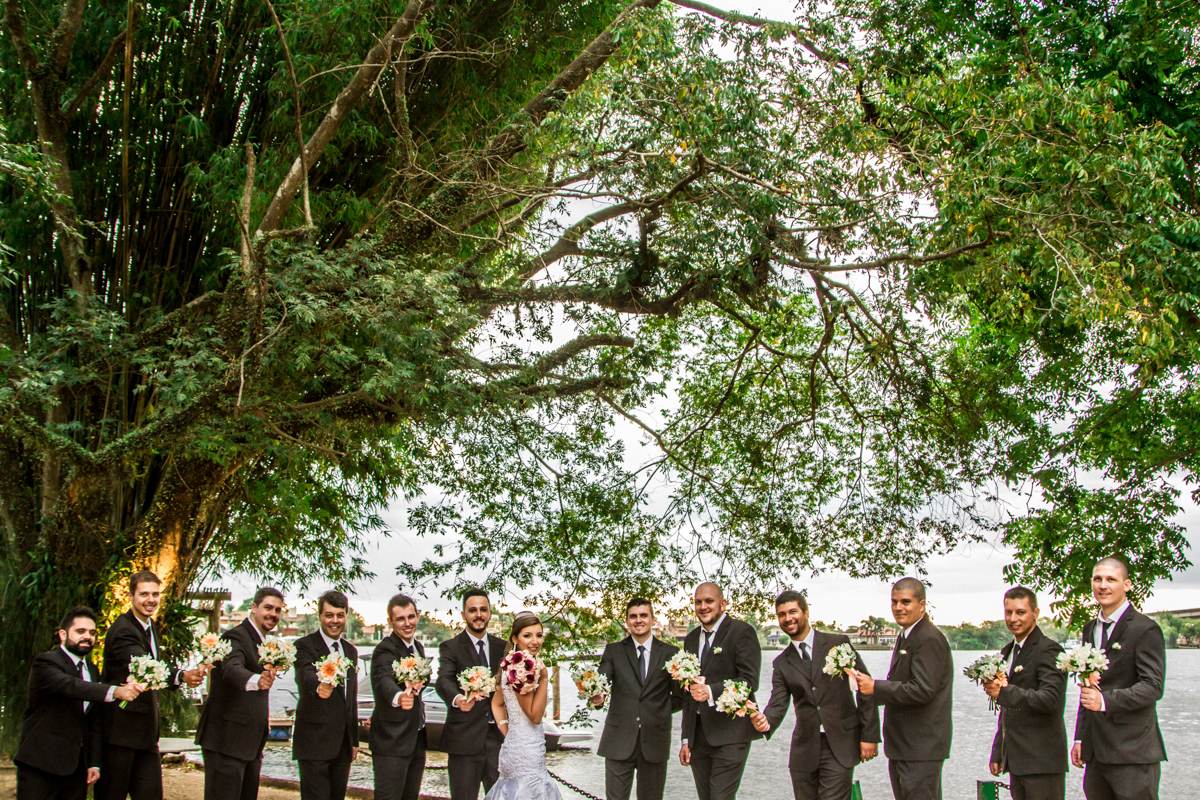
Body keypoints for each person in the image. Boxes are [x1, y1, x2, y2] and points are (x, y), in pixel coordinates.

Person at [751, 590, 880, 800]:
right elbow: (778, 703)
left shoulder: (838, 644)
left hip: (841, 744)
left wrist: (869, 736)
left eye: (792, 611)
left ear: (806, 612)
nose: (787, 618)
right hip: (804, 750)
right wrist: (765, 722)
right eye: (782, 614)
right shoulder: (781, 663)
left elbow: (866, 690)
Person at [97, 571, 207, 800]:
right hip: (120, 735)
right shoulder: (124, 630)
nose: (151, 600)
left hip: (146, 736)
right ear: (131, 596)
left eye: (155, 594)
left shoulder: (149, 625)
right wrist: (181, 676)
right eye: (144, 594)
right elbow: (145, 666)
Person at [15, 606, 142, 800]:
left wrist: (94, 763)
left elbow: (93, 721)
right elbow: (70, 686)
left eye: (92, 633)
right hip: (40, 765)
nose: (87, 637)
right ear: (63, 634)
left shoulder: (92, 670)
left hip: (76, 770)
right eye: (80, 631)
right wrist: (114, 691)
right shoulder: (46, 662)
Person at [1072, 557, 1167, 800]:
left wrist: (1105, 701)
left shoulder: (1145, 629)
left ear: (1127, 585)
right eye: (1098, 579)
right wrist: (1081, 737)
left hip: (1132, 752)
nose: (1103, 585)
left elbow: (1152, 687)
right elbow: (1088, 686)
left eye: (1111, 579)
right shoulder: (1089, 629)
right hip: (1096, 752)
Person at [851, 577, 952, 800]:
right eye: (894, 602)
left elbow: (923, 689)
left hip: (921, 748)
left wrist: (875, 687)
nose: (898, 607)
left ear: (922, 605)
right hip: (903, 747)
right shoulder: (906, 635)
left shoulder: (928, 638)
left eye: (906, 602)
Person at [195, 587, 286, 800]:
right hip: (226, 741)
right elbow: (231, 669)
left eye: (278, 610)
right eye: (268, 608)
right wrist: (256, 679)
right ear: (253, 607)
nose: (273, 614)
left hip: (250, 744)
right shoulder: (234, 637)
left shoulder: (263, 642)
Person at [678, 582, 762, 800]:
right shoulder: (691, 639)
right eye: (698, 602)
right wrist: (686, 739)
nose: (703, 606)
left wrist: (711, 691)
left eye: (709, 601)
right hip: (698, 738)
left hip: (731, 735)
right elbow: (688, 694)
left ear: (723, 604)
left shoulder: (742, 632)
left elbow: (749, 681)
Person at [593, 597, 684, 800]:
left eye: (643, 615)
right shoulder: (613, 651)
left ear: (653, 619)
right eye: (633, 616)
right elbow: (602, 683)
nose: (638, 620)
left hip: (655, 740)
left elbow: (679, 697)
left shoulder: (671, 653)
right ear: (626, 621)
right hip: (618, 740)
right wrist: (598, 697)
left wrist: (655, 710)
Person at [982, 586, 1068, 800]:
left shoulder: (1049, 650)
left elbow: (1051, 700)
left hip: (1043, 761)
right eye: (1008, 612)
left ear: (1035, 613)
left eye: (1021, 612)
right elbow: (1007, 711)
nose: (1013, 619)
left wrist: (1004, 693)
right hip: (1016, 760)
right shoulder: (1007, 652)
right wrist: (999, 750)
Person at [484, 612, 563, 800]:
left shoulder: (510, 666)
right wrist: (544, 678)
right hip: (527, 754)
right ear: (515, 639)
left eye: (539, 635)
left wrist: (509, 732)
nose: (535, 641)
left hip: (516, 747)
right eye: (527, 635)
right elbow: (534, 716)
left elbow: (497, 704)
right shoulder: (522, 669)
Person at [437, 588, 507, 800]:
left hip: (498, 741)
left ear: (490, 613)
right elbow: (443, 680)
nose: (478, 615)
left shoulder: (504, 648)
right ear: (464, 614)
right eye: (473, 610)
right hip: (464, 741)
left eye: (483, 610)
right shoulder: (450, 647)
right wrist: (458, 699)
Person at [294, 590, 360, 800]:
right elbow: (304, 675)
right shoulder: (304, 646)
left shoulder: (351, 652)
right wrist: (318, 686)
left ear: (346, 615)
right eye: (329, 615)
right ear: (320, 616)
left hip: (342, 746)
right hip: (314, 743)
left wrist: (354, 740)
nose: (335, 621)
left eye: (340, 615)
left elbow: (351, 698)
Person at [370, 594, 428, 800]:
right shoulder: (384, 649)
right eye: (400, 619)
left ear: (417, 616)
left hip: (416, 739)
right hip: (391, 741)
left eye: (411, 617)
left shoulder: (418, 648)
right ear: (390, 622)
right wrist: (399, 696)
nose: (407, 623)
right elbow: (383, 680)